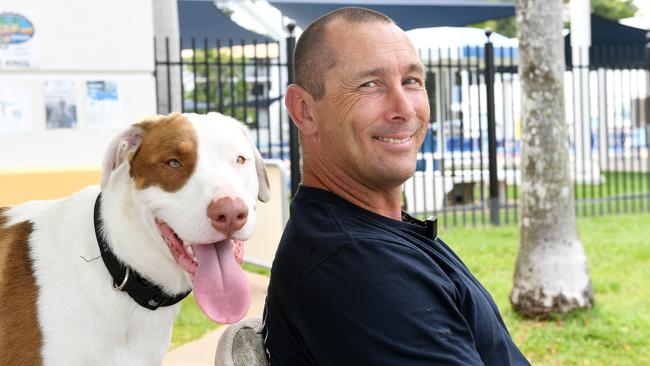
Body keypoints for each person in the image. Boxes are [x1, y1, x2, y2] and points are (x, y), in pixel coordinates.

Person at [263, 6, 530, 366]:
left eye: (412, 81)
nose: (403, 108)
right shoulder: (359, 268)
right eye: (369, 84)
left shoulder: (371, 233)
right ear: (304, 110)